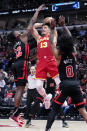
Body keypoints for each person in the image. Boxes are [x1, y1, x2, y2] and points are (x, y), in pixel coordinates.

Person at [45, 16, 87, 131]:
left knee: (54, 108)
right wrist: (63, 25)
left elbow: (51, 43)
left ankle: (47, 129)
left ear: (61, 44)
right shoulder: (74, 51)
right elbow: (70, 37)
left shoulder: (58, 55)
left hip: (65, 85)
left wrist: (53, 29)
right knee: (82, 110)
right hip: (75, 84)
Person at [9, 4, 45, 127]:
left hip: (16, 63)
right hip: (22, 64)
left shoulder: (15, 45)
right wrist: (37, 11)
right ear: (17, 34)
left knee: (18, 87)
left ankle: (15, 112)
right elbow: (32, 23)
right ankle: (15, 112)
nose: (20, 30)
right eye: (18, 30)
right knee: (20, 88)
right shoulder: (22, 37)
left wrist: (35, 57)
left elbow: (25, 57)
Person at [31, 17, 61, 109]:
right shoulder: (39, 39)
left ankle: (59, 99)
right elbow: (32, 27)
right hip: (41, 62)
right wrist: (42, 24)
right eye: (42, 28)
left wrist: (51, 20)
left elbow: (54, 27)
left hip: (51, 61)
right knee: (38, 86)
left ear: (49, 30)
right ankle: (46, 98)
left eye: (45, 28)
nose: (43, 29)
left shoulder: (52, 37)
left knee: (59, 83)